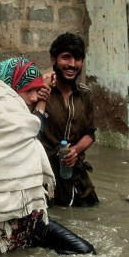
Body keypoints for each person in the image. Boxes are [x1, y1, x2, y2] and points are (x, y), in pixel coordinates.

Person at [0, 57, 96, 255]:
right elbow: (33, 130)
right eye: (29, 91)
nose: (34, 97)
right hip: (25, 223)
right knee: (86, 252)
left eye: (37, 90)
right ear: (9, 90)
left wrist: (40, 99)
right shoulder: (9, 125)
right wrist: (42, 101)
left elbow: (29, 130)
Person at [40, 33, 98, 206]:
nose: (72, 64)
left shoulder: (85, 94)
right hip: (44, 175)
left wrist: (75, 151)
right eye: (66, 57)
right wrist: (41, 92)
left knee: (92, 211)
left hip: (75, 174)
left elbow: (90, 133)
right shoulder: (41, 92)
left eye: (78, 59)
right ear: (53, 59)